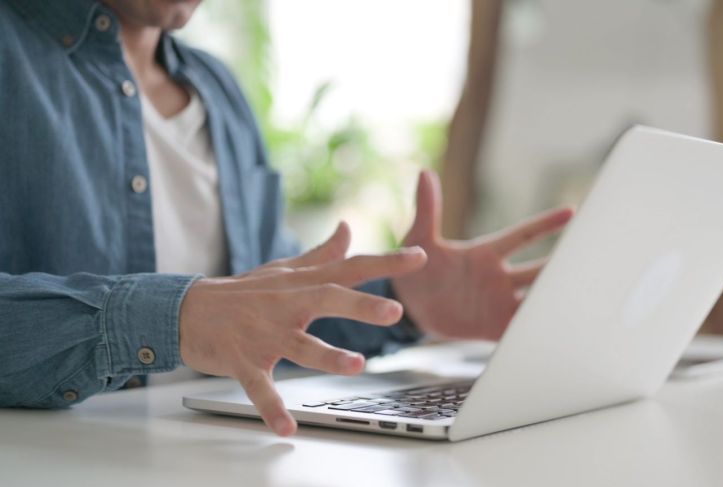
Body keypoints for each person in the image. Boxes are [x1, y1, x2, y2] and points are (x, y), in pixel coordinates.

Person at [0, 0, 572, 436]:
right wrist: (172, 319)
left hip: (211, 462)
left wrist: (401, 301)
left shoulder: (219, 92)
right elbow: (204, 317)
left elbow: (262, 315)